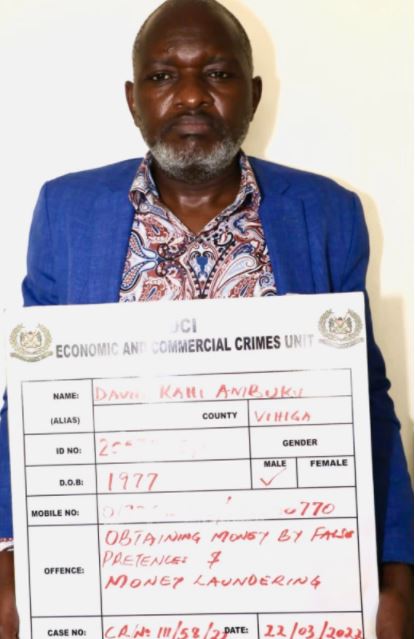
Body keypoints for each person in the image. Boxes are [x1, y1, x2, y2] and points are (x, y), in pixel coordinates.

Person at [0, 0, 413, 637]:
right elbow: (31, 398)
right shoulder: (67, 212)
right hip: (118, 582)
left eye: (217, 74)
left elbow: (366, 398)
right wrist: (8, 559)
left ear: (253, 94)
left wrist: (396, 569)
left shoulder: (327, 212)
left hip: (290, 579)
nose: (191, 95)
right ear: (134, 100)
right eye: (163, 76)